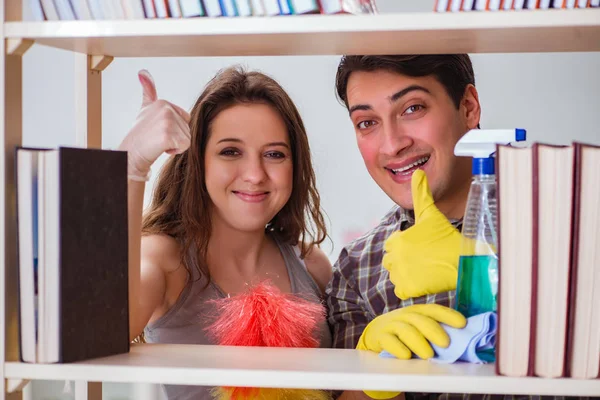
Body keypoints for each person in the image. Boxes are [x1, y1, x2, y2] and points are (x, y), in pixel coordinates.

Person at [326, 54, 593, 400]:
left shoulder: (577, 224)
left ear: (468, 107)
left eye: (412, 108)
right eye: (366, 122)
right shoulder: (357, 267)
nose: (392, 144)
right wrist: (371, 371)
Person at [119, 66, 333, 400]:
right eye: (230, 151)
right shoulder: (164, 259)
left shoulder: (311, 263)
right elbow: (100, 329)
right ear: (198, 161)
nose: (254, 174)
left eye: (275, 154)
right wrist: (131, 165)